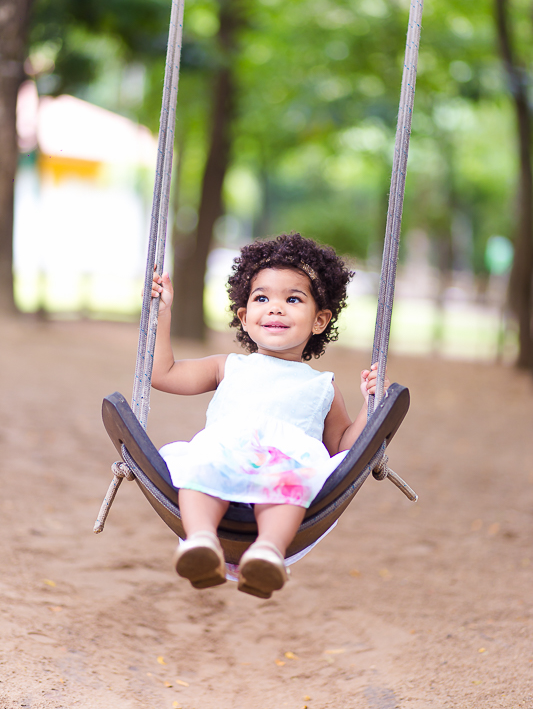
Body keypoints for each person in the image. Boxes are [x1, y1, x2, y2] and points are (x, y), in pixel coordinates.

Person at [150, 233, 388, 599]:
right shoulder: (226, 366)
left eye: (293, 299)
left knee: (289, 479)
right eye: (262, 298)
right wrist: (161, 314)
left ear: (319, 320)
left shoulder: (323, 386)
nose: (275, 308)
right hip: (225, 454)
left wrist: (371, 408)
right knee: (201, 464)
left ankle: (268, 552)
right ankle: (201, 542)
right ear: (245, 318)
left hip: (284, 462)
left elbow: (343, 448)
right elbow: (161, 374)